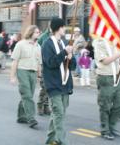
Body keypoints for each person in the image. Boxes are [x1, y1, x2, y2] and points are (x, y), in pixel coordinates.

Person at [41, 17, 76, 145]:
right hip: (54, 85)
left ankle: (50, 141)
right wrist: (64, 53)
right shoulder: (47, 44)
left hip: (65, 84)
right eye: (63, 27)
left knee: (58, 115)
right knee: (58, 114)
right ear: (58, 28)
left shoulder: (64, 43)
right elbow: (50, 63)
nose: (64, 29)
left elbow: (72, 67)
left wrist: (71, 58)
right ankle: (61, 141)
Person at [93, 38, 120, 140]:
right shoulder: (99, 43)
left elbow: (118, 62)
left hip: (117, 77)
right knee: (105, 106)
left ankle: (111, 126)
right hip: (105, 77)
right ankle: (105, 130)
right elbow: (105, 61)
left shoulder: (115, 43)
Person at [10, 25, 42, 128]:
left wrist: (39, 75)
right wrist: (12, 76)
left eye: (38, 32)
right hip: (22, 71)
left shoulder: (38, 46)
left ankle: (21, 116)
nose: (38, 34)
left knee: (28, 95)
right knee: (27, 95)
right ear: (31, 32)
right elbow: (15, 61)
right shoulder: (21, 44)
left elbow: (39, 62)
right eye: (36, 32)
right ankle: (31, 118)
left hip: (33, 72)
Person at [37, 27, 51, 116]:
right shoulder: (43, 37)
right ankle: (40, 105)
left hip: (52, 65)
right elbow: (37, 48)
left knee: (49, 88)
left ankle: (46, 106)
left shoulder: (57, 37)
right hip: (44, 65)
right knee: (44, 87)